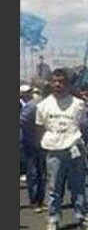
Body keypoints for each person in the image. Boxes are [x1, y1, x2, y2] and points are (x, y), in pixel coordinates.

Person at [35, 68, 88, 230]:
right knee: (54, 188)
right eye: (55, 81)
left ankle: (83, 217)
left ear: (68, 84)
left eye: (61, 81)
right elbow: (40, 128)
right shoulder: (43, 105)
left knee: (78, 187)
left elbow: (85, 127)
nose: (58, 84)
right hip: (54, 151)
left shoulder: (78, 104)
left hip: (75, 149)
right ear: (51, 83)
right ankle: (53, 219)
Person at [20, 84, 47, 213]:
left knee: (39, 173)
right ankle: (35, 201)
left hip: (39, 143)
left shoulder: (35, 104)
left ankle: (38, 201)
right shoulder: (33, 105)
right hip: (32, 143)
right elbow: (22, 121)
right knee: (35, 173)